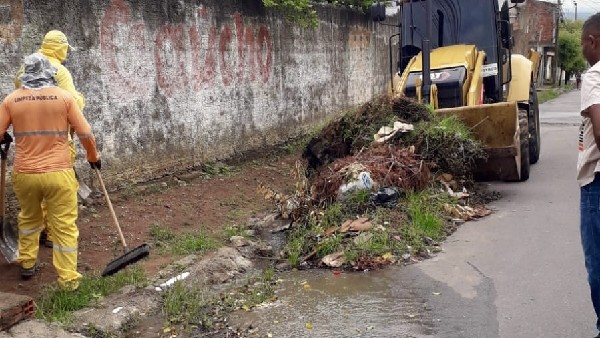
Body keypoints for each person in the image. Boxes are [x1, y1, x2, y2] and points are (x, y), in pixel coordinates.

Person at [0, 53, 100, 290]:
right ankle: (68, 280)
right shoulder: (64, 97)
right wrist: (93, 157)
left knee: (29, 218)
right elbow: (85, 132)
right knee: (64, 224)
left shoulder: (12, 100)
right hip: (59, 172)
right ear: (49, 72)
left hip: (25, 173)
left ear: (26, 73)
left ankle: (27, 263)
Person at [14, 30, 85, 249]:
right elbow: (74, 105)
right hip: (57, 141)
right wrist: (81, 99)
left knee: (38, 191)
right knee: (60, 191)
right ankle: (55, 235)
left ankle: (42, 231)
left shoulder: (24, 69)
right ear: (59, 47)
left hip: (29, 144)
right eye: (65, 48)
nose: (66, 53)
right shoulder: (60, 71)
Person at [579, 13, 600, 338]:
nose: (582, 49)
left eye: (583, 43)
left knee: (597, 266)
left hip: (596, 184)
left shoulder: (594, 77)